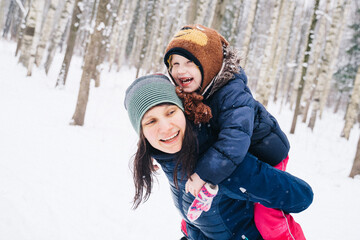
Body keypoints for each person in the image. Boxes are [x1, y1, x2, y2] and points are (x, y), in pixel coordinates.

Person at [124, 74, 313, 240]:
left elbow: (301, 196)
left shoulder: (215, 161)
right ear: (142, 134)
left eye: (170, 112)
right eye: (151, 121)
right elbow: (202, 220)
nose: (166, 127)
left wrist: (231, 175)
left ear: (183, 111)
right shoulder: (168, 157)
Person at [164, 24, 306, 239]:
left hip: (266, 154)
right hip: (233, 157)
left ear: (209, 64)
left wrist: (204, 173)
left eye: (189, 62)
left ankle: (285, 235)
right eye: (174, 64)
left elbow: (234, 140)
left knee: (266, 216)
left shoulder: (233, 93)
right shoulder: (191, 92)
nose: (180, 70)